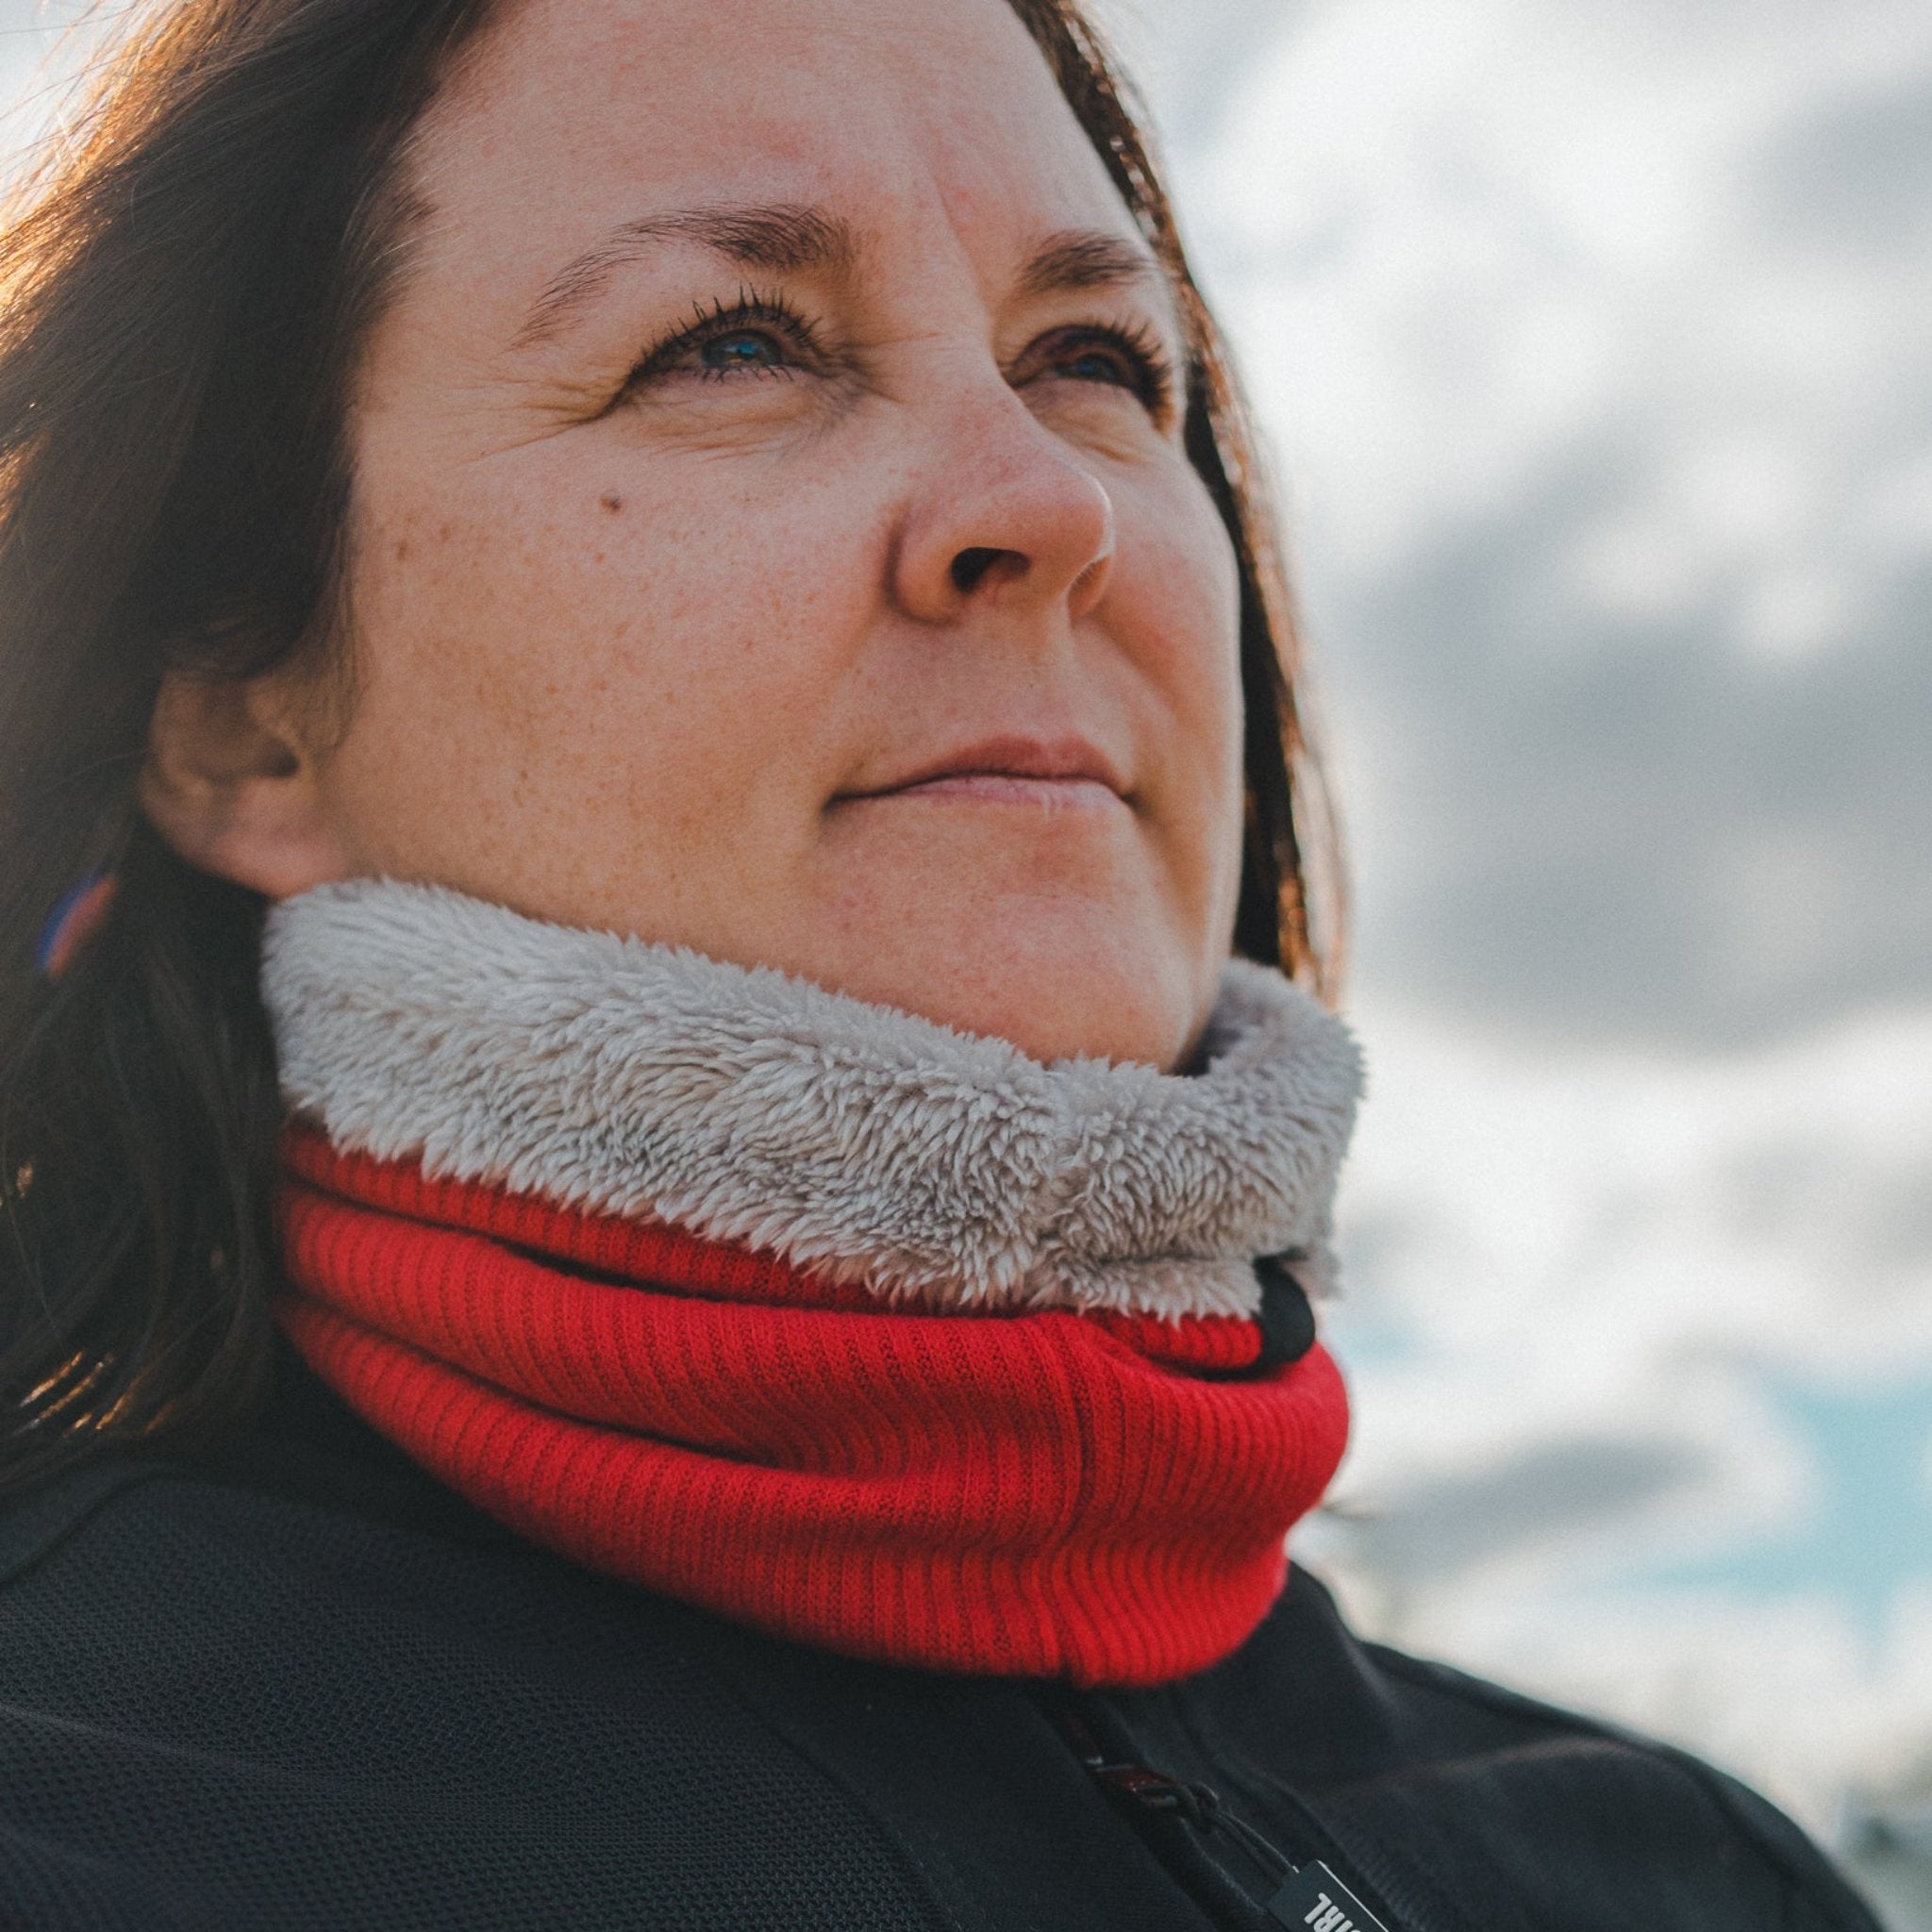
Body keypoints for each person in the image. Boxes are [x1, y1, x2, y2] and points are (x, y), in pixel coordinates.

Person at [0, 0, 1883, 1926]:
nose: (1048, 506)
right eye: (730, 343)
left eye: (1093, 361)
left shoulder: (1693, 1877)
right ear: (238, 721)